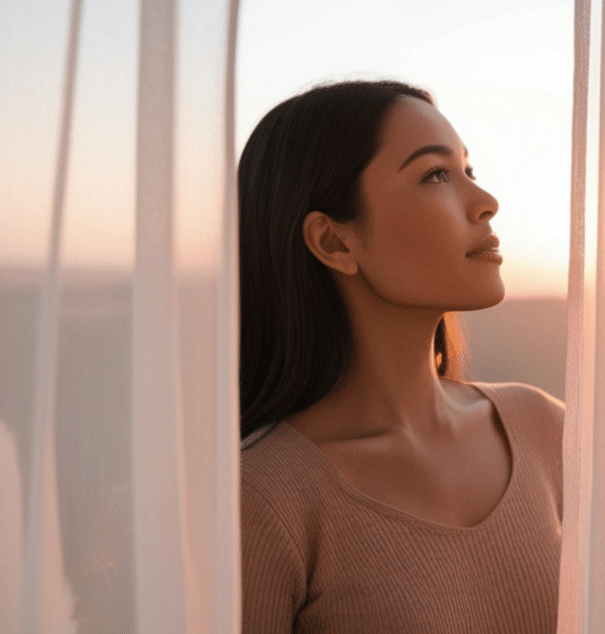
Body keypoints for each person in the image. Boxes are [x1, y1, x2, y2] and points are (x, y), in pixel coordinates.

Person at [238, 80, 564, 633]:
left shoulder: (544, 429)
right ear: (335, 242)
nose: (485, 201)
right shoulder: (262, 498)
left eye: (468, 170)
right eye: (435, 174)